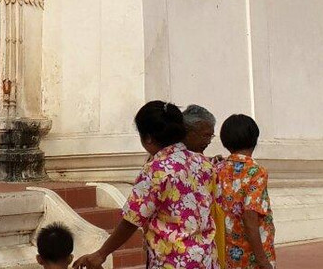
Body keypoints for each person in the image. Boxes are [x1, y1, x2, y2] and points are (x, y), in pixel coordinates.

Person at [74, 101, 219, 269]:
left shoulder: (156, 170)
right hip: (206, 259)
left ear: (148, 138)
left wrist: (101, 254)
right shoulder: (203, 163)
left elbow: (132, 219)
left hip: (171, 262)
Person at [216, 114, 275, 269]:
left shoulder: (217, 169)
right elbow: (250, 216)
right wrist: (263, 261)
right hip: (251, 254)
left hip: (226, 253)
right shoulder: (256, 171)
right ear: (254, 138)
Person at [184, 105, 225, 260]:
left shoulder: (204, 164)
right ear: (188, 132)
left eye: (211, 137)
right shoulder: (164, 165)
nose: (208, 141)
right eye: (205, 136)